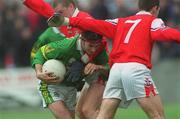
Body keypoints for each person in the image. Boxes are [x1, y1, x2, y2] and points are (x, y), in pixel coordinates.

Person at [47, 0, 180, 118]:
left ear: (138, 7)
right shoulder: (153, 20)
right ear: (156, 8)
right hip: (135, 69)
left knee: (103, 116)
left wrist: (67, 21)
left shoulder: (120, 21)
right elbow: (163, 33)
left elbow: (94, 24)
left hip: (116, 71)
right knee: (158, 116)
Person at [22, 0, 108, 118]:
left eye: (61, 12)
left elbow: (100, 43)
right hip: (76, 75)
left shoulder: (85, 20)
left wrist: (83, 60)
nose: (58, 17)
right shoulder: (58, 21)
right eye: (57, 14)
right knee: (81, 113)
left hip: (97, 72)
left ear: (71, 7)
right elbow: (43, 8)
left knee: (88, 111)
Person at [32, 31, 109, 119]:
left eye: (96, 46)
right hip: (50, 86)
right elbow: (40, 53)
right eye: (90, 46)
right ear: (82, 40)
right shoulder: (65, 47)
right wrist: (38, 73)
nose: (93, 50)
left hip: (71, 88)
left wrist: (98, 67)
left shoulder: (99, 49)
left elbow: (109, 66)